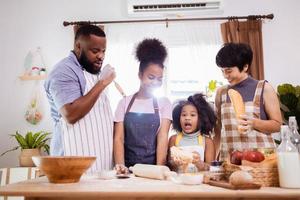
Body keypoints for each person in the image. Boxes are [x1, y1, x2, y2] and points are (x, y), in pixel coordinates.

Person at [44, 24, 116, 172]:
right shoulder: (63, 71)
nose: (101, 56)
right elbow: (71, 114)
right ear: (78, 46)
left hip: (100, 164)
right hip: (70, 164)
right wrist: (102, 83)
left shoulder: (94, 70)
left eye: (103, 51)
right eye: (95, 51)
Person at [214, 42, 282, 160]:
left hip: (261, 160)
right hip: (230, 160)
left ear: (245, 67)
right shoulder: (221, 92)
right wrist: (214, 159)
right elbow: (218, 129)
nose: (225, 76)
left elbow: (277, 125)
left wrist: (253, 123)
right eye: (222, 71)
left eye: (229, 71)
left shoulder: (264, 88)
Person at [113, 38, 172, 174]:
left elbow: (162, 138)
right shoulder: (124, 103)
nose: (155, 82)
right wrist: (121, 168)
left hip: (152, 170)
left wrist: (159, 170)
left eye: (159, 79)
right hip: (127, 170)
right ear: (140, 75)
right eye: (151, 77)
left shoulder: (164, 103)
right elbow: (118, 138)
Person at [168, 93, 216, 173]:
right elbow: (169, 164)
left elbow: (211, 169)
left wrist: (199, 163)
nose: (187, 118)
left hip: (199, 182)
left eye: (192, 115)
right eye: (184, 115)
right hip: (179, 182)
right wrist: (174, 163)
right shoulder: (173, 139)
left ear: (201, 118)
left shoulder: (207, 142)